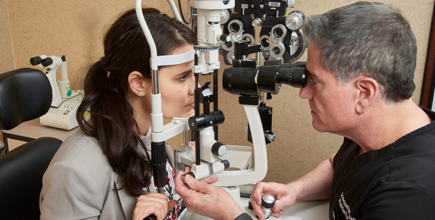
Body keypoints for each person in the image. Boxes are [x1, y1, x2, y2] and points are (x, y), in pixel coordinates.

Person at [175, 1, 435, 220]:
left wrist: (232, 216)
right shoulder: (377, 134)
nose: (304, 92)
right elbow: (340, 167)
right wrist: (295, 189)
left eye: (315, 82)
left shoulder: (407, 197)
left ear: (364, 93)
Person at [40, 8, 197, 220]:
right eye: (182, 77)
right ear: (138, 83)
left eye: (194, 74)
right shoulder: (73, 170)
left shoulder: (149, 131)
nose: (194, 88)